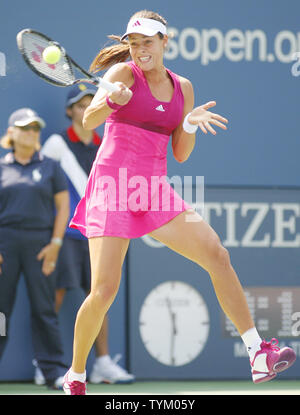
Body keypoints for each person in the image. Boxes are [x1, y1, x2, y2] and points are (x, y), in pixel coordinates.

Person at [62, 11, 296, 395]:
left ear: (164, 42)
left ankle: (257, 352)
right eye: (134, 43)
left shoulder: (183, 88)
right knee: (103, 290)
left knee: (217, 255)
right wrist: (111, 102)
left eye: (148, 42)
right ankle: (76, 373)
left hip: (153, 189)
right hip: (113, 185)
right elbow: (88, 121)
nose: (140, 50)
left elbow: (181, 154)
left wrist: (187, 125)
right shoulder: (122, 74)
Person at [41, 84, 135, 385]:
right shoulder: (56, 145)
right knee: (56, 295)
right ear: (70, 112)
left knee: (100, 296)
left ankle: (102, 363)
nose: (84, 111)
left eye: (88, 105)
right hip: (67, 232)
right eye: (79, 106)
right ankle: (47, 363)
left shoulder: (104, 143)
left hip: (98, 233)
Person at [0, 108, 70, 389]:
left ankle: (52, 371)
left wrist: (55, 244)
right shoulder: (1, 166)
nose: (31, 133)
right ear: (12, 133)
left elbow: (63, 207)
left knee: (44, 309)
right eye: (25, 128)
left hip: (42, 246)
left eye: (35, 129)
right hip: (4, 246)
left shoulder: (50, 166)